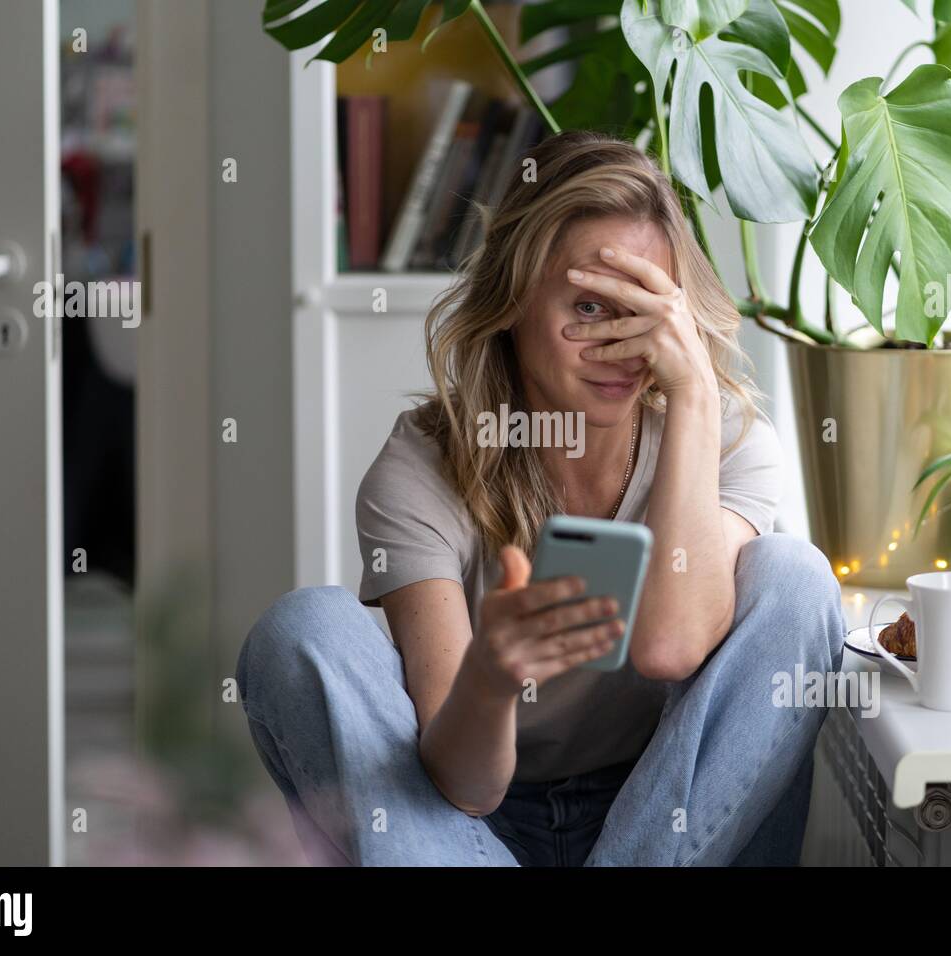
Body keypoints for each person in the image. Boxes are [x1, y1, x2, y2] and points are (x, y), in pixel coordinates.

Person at [236, 130, 846, 866]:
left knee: (797, 577)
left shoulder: (729, 442)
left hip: (665, 814)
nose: (623, 344)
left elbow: (669, 648)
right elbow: (464, 789)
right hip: (471, 832)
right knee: (302, 629)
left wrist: (692, 393)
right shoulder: (421, 469)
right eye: (589, 307)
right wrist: (492, 679)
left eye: (643, 310)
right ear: (514, 303)